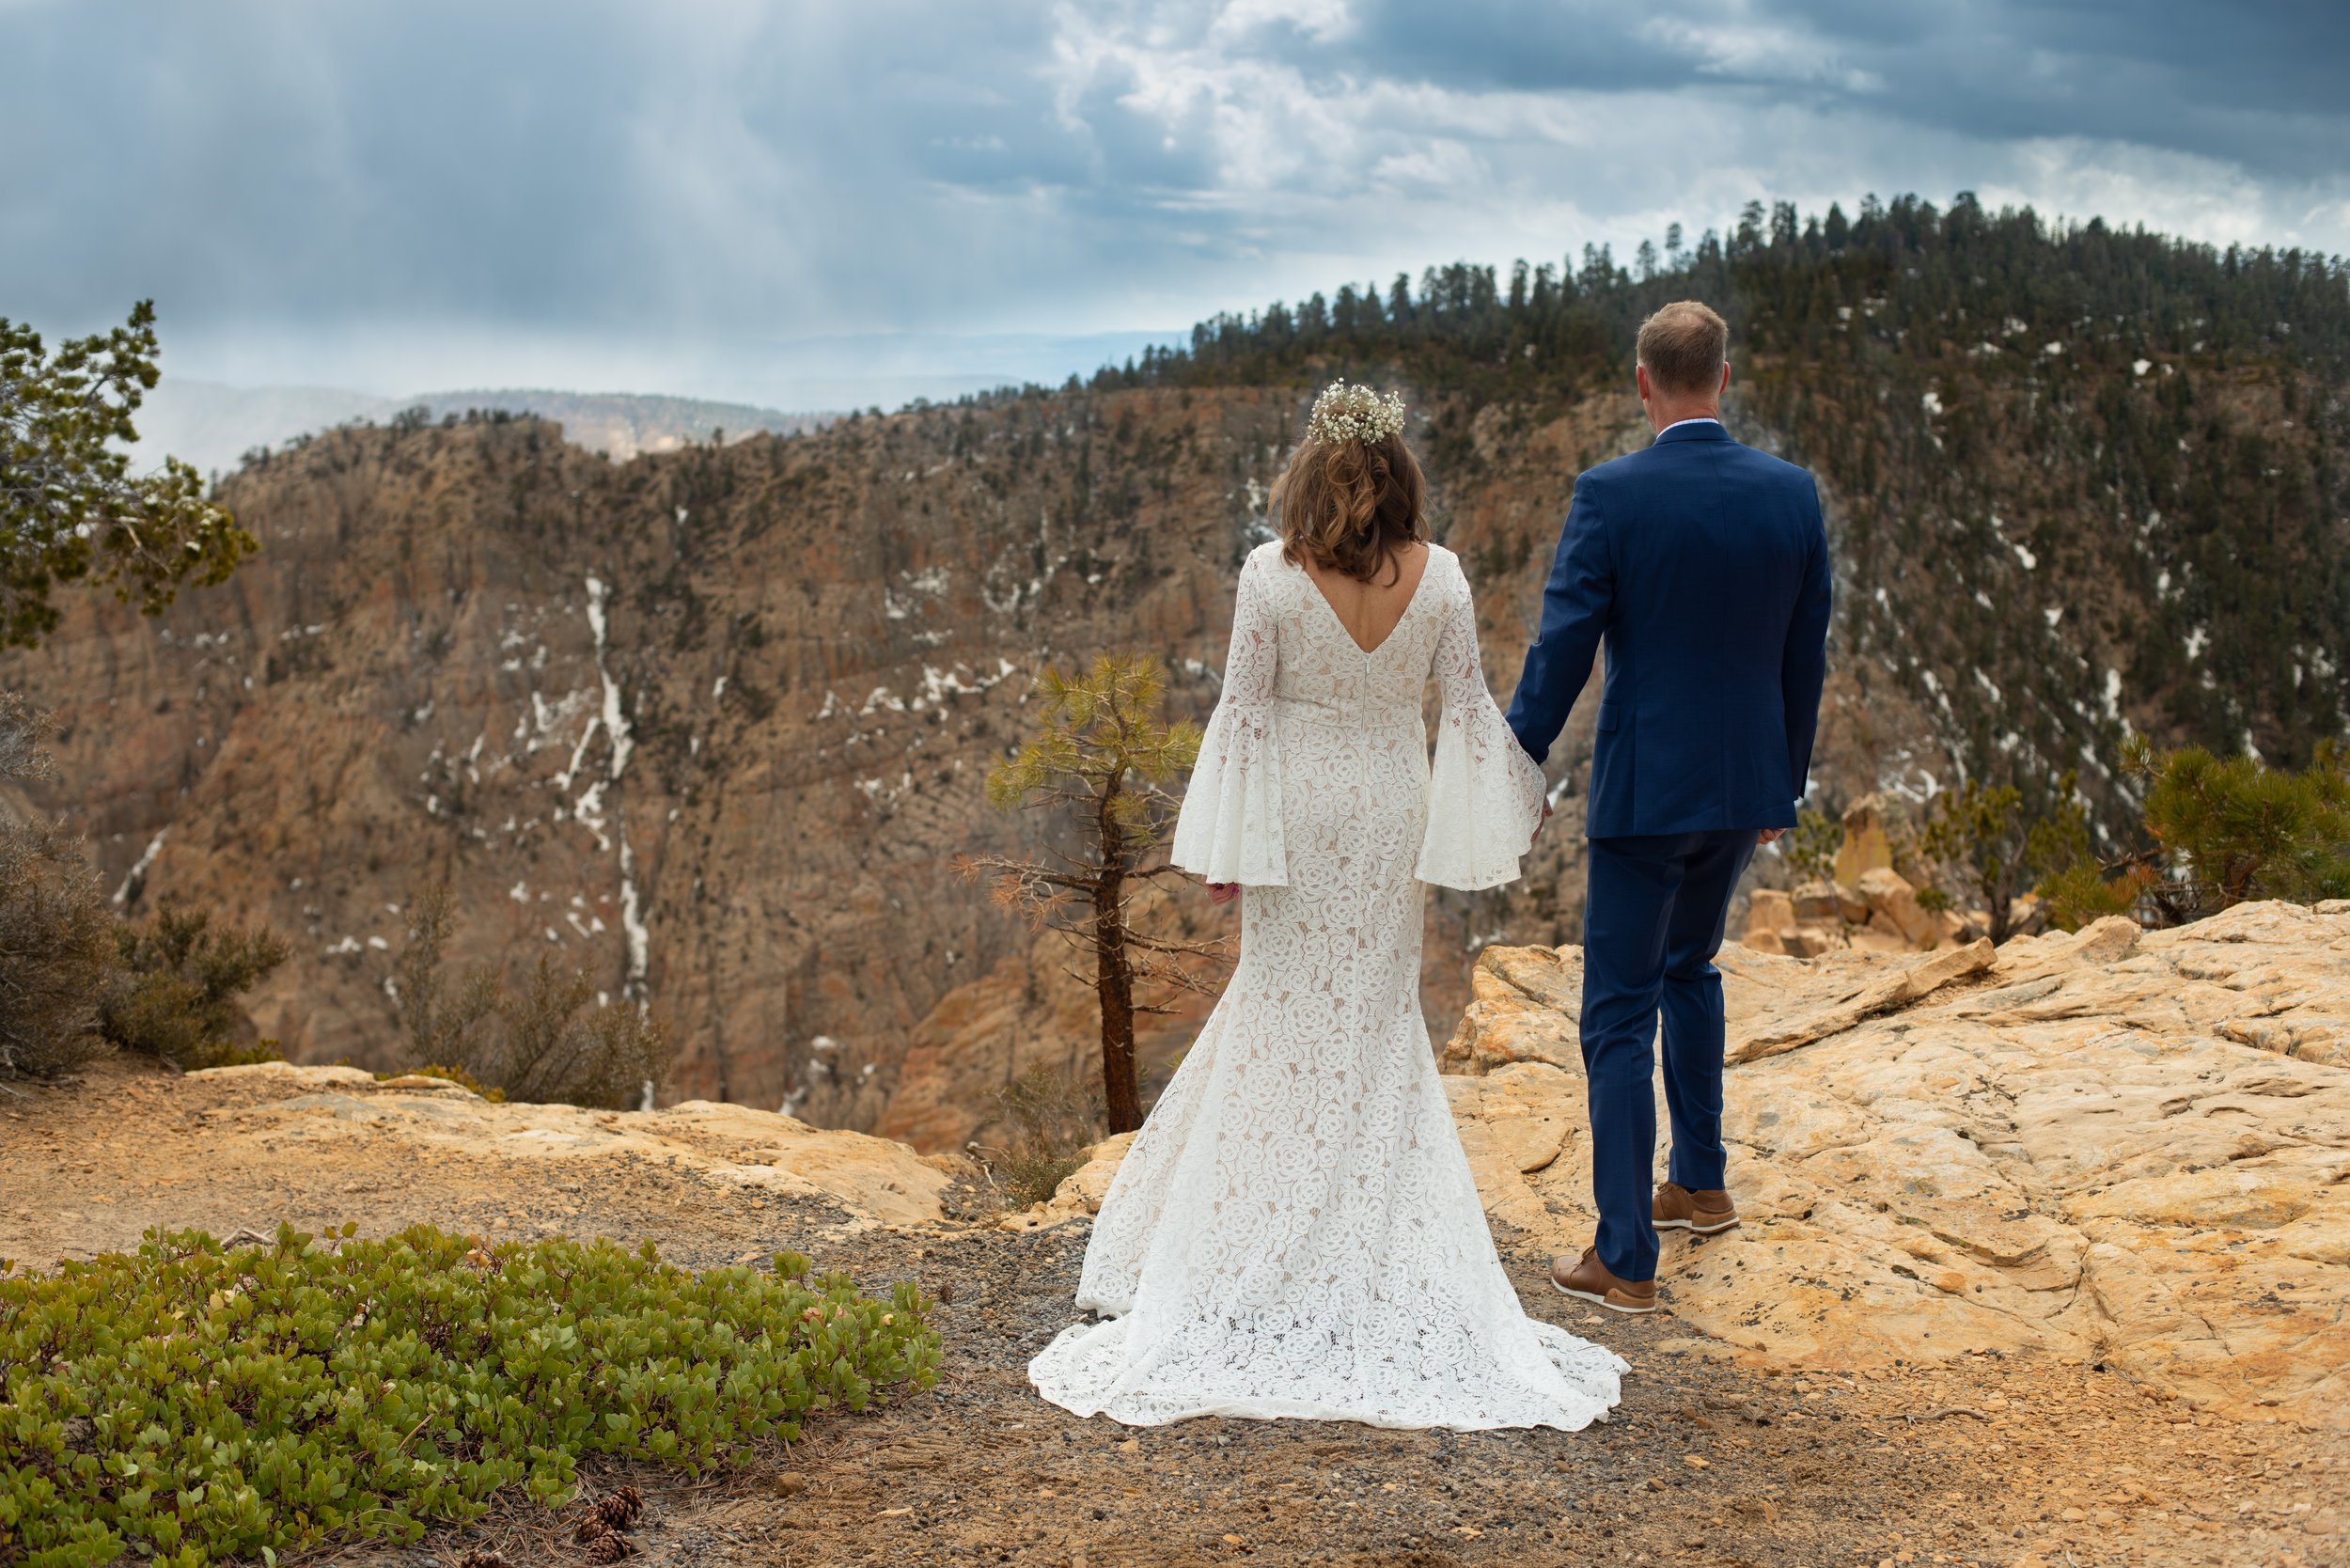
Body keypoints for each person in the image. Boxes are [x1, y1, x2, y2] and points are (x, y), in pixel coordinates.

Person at [1027, 381, 1626, 1431]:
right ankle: (1362, 1235)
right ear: (1400, 473)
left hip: (1301, 814)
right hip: (1390, 808)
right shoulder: (1440, 578)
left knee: (1281, 1009)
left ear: (1313, 470)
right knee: (1375, 1019)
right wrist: (1513, 799)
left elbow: (1242, 712)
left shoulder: (1270, 573)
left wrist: (1226, 838)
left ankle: (1250, 1243)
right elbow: (1472, 711)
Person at [1504, 300, 1833, 1315]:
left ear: (1644, 383)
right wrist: (1782, 777)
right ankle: (1698, 1181)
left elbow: (1565, 643)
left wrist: (1516, 760)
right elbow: (1803, 649)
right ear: (1721, 379)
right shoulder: (1791, 493)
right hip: (1742, 788)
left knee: (1616, 1010)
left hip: (1646, 794)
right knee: (1691, 967)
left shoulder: (1610, 494)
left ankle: (1624, 1255)